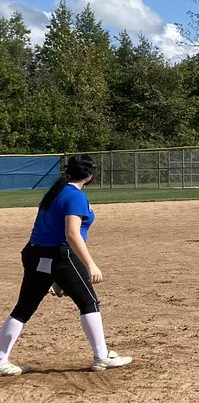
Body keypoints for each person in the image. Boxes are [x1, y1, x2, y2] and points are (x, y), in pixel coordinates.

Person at [0, 154, 133, 375]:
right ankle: (101, 357)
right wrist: (90, 264)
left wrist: (51, 275)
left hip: (36, 254)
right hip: (61, 257)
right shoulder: (74, 196)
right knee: (89, 302)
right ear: (89, 175)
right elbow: (71, 233)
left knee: (23, 308)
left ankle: (1, 359)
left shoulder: (55, 192)